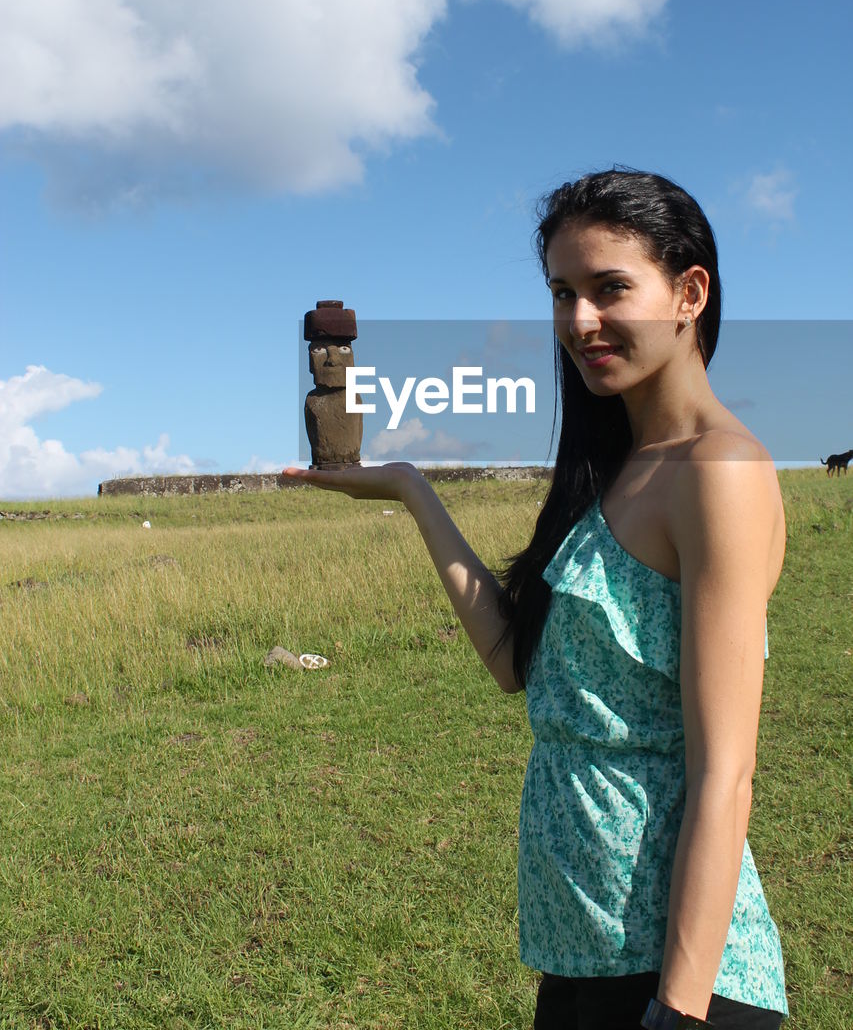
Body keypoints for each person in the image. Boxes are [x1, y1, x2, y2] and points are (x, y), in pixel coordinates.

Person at [282, 168, 789, 1030]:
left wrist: (679, 1004)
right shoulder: (615, 467)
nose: (578, 320)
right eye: (561, 293)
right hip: (583, 945)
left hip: (677, 971)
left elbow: (724, 770)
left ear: (688, 292)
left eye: (608, 288)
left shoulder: (719, 472)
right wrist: (411, 490)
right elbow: (518, 667)